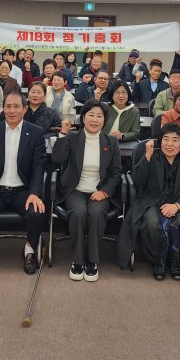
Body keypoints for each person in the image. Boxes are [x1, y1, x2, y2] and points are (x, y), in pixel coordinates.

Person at [116, 123, 180, 281]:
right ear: (160, 142)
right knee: (153, 223)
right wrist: (147, 157)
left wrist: (177, 205)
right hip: (151, 202)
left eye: (175, 140)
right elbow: (137, 180)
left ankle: (176, 260)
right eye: (166, 139)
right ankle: (158, 261)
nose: (170, 144)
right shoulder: (151, 157)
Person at [0, 91, 48, 275]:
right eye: (8, 107)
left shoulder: (35, 132)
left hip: (22, 190)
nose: (11, 111)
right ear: (3, 109)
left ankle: (29, 250)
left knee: (36, 213)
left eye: (16, 107)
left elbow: (39, 166)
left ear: (25, 109)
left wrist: (34, 193)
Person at [52, 100, 123, 282]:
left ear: (104, 120)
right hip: (75, 189)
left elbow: (116, 172)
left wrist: (104, 191)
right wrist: (63, 133)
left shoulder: (111, 142)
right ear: (83, 118)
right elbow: (57, 158)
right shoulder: (72, 138)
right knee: (78, 212)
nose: (94, 119)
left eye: (99, 116)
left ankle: (92, 261)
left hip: (99, 190)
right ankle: (77, 261)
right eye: (90, 115)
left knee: (97, 213)